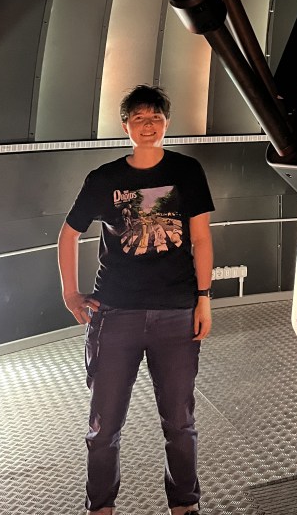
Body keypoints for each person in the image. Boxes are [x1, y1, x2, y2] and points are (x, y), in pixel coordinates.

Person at [58, 85, 215, 515]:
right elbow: (69, 233)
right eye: (139, 119)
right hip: (115, 314)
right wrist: (70, 292)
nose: (148, 126)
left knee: (180, 423)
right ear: (125, 125)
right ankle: (100, 507)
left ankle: (185, 505)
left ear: (166, 123)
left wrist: (204, 298)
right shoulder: (104, 179)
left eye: (156, 118)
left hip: (177, 312)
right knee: (103, 425)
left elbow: (200, 239)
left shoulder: (187, 170)